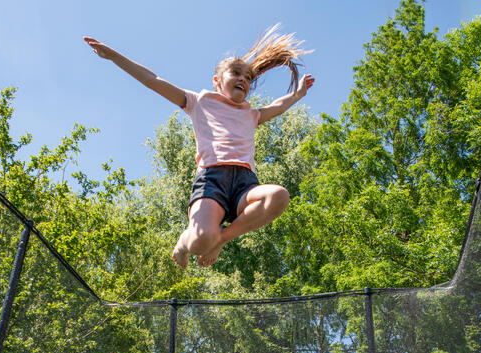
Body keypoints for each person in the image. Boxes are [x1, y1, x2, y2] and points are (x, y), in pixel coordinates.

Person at [83, 26, 314, 268]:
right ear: (217, 81)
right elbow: (152, 80)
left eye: (248, 78)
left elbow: (278, 105)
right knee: (201, 240)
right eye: (236, 73)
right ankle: (184, 243)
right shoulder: (199, 102)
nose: (243, 80)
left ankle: (221, 239)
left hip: (245, 183)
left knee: (279, 196)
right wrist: (113, 56)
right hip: (212, 178)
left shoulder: (251, 114)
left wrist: (298, 95)